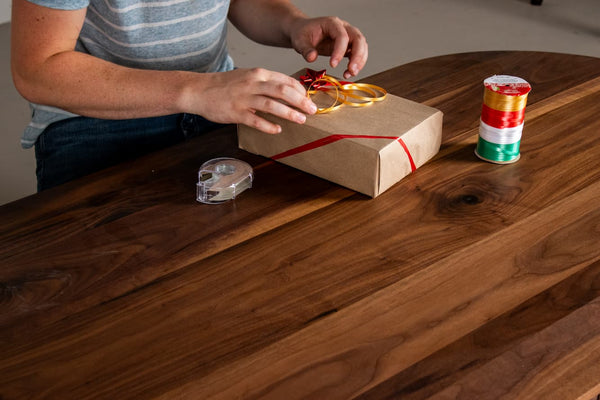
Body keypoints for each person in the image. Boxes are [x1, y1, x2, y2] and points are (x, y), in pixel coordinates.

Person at [10, 0, 368, 190]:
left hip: (217, 102)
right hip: (93, 117)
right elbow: (37, 70)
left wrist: (293, 24)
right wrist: (197, 89)